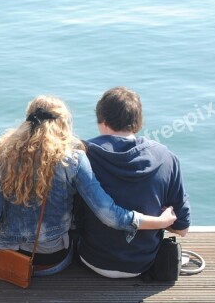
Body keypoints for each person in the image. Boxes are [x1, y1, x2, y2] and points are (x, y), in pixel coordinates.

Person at [0, 95, 177, 276]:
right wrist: (160, 222)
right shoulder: (72, 159)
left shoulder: (6, 156)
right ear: (63, 124)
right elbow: (109, 215)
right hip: (52, 261)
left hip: (7, 259)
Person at [78, 87, 191, 278]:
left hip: (91, 258)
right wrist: (161, 220)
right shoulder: (166, 157)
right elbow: (182, 228)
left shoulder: (82, 155)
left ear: (102, 119)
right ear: (137, 122)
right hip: (142, 262)